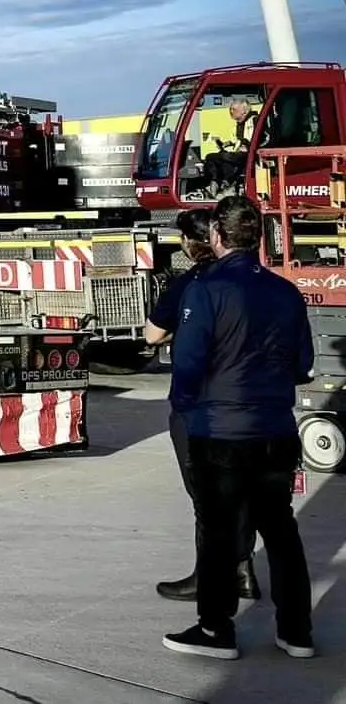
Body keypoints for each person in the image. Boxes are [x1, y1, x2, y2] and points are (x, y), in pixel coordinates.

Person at [163, 194, 315, 661]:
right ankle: (297, 631)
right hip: (275, 428)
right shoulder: (286, 291)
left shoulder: (206, 290)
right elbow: (303, 364)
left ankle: (216, 628)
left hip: (222, 427)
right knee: (280, 530)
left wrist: (188, 407)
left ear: (216, 237)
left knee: (218, 530)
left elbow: (186, 364)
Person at [146, 209, 256, 603]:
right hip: (251, 403)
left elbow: (154, 334)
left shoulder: (191, 284)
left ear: (196, 242)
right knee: (243, 490)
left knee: (205, 497)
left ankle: (209, 580)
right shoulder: (262, 283)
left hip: (202, 405)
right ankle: (243, 570)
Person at [200, 98, 257, 193]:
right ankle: (217, 182)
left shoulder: (255, 120)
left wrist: (249, 147)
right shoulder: (239, 124)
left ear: (244, 110)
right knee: (213, 157)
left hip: (250, 154)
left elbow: (262, 138)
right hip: (240, 153)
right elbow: (236, 140)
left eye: (234, 109)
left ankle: (220, 183)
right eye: (231, 109)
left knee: (222, 157)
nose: (231, 111)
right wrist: (227, 143)